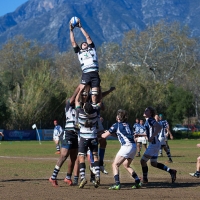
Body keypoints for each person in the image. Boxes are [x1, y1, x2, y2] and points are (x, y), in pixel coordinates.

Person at [101, 109, 142, 190]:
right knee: (126, 165)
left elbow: (104, 136)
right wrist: (111, 134)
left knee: (115, 165)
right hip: (133, 147)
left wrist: (98, 133)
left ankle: (117, 184)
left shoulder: (116, 125)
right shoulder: (127, 124)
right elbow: (121, 135)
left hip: (126, 147)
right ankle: (137, 181)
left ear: (118, 117)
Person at [141, 106, 177, 184]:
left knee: (143, 161)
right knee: (153, 163)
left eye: (146, 110)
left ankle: (145, 179)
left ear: (150, 113)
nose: (145, 111)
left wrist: (152, 136)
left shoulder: (150, 119)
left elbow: (159, 127)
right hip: (155, 144)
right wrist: (138, 134)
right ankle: (171, 171)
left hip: (153, 144)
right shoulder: (148, 120)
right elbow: (149, 132)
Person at [70, 18, 101, 107]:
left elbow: (87, 37)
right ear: (81, 47)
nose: (84, 43)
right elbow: (73, 42)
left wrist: (80, 27)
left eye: (86, 43)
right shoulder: (79, 53)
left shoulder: (92, 49)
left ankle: (94, 107)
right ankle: (83, 106)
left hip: (94, 74)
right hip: (86, 74)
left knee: (94, 94)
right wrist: (71, 30)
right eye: (83, 44)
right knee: (84, 93)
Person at [49, 96, 79, 187]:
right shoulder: (68, 107)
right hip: (68, 134)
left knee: (73, 158)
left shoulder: (78, 108)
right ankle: (53, 177)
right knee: (64, 156)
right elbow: (72, 98)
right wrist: (79, 89)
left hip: (76, 135)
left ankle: (68, 177)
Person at [75, 84, 100, 189]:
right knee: (95, 156)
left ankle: (83, 177)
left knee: (81, 156)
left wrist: (80, 91)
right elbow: (99, 102)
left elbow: (76, 101)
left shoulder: (81, 113)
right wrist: (99, 92)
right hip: (93, 137)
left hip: (84, 138)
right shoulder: (95, 113)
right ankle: (98, 175)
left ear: (85, 109)